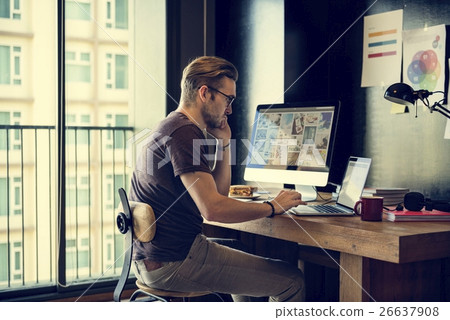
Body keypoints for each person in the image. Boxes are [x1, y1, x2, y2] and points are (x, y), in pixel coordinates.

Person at [129, 56, 306, 302]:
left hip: (151, 260)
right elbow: (212, 210)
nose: (230, 109)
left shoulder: (171, 125)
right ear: (205, 93)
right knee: (292, 281)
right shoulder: (183, 133)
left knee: (240, 249)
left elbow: (219, 197)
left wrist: (224, 144)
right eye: (228, 99)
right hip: (174, 262)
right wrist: (272, 207)